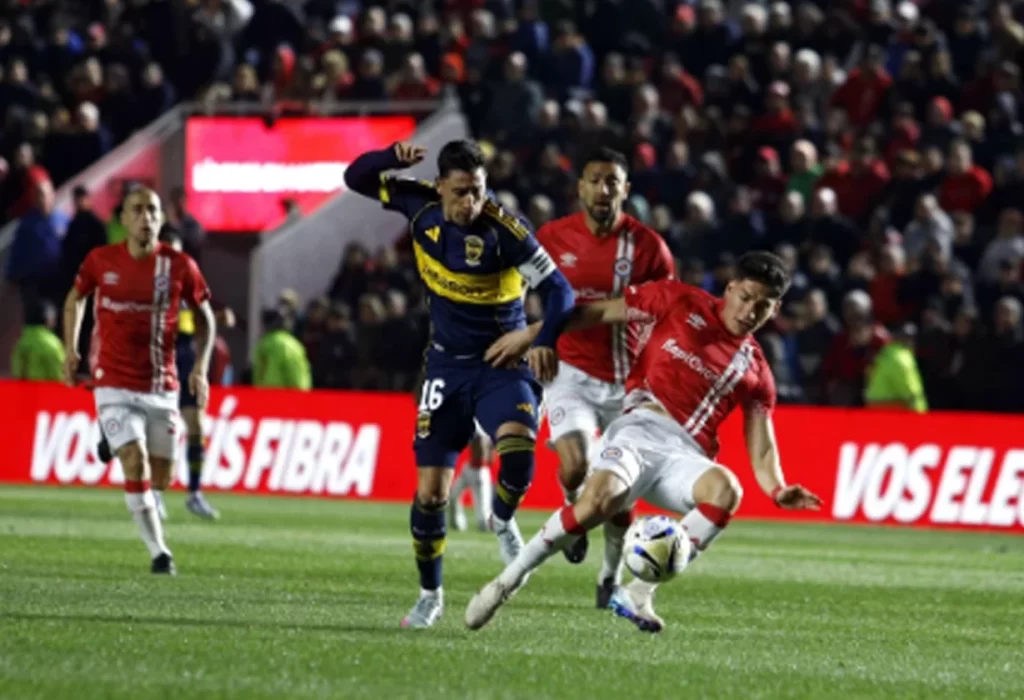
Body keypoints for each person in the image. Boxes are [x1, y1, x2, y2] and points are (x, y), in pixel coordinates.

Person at [466, 252, 822, 633]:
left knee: (727, 491)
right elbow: (597, 312)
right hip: (637, 430)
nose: (750, 311)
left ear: (775, 309)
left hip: (685, 457)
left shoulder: (756, 370)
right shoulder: (679, 300)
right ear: (731, 288)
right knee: (596, 504)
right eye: (746, 297)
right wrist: (533, 335)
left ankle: (637, 593)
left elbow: (762, 443)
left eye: (763, 306)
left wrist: (777, 488)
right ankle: (509, 580)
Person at [343, 139, 575, 628]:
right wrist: (390, 157)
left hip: (501, 364)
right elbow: (354, 178)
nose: (472, 202)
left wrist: (538, 338)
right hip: (446, 368)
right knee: (431, 495)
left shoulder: (506, 230)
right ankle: (430, 596)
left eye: (479, 191)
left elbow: (561, 291)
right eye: (462, 192)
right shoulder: (418, 204)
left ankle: (502, 518)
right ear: (440, 186)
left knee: (519, 455)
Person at [533, 146, 675, 602]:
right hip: (570, 371)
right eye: (594, 180)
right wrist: (538, 340)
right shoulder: (552, 237)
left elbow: (666, 313)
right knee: (575, 465)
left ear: (625, 189)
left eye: (612, 181)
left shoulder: (648, 248)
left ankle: (609, 574)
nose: (602, 189)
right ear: (580, 187)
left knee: (619, 497)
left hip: (628, 382)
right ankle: (574, 511)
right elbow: (526, 292)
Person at [62, 188, 217, 575]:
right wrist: (71, 350)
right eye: (137, 210)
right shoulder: (101, 260)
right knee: (135, 460)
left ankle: (111, 437)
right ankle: (159, 553)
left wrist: (200, 368)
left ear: (161, 219)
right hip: (112, 381)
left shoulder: (179, 265)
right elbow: (75, 298)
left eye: (152, 210)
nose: (145, 217)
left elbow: (206, 318)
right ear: (124, 219)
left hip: (161, 385)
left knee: (161, 478)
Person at [158, 226, 221, 519]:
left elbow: (200, 316)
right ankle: (154, 492)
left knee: (196, 425)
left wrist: (200, 367)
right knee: (160, 427)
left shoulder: (187, 278)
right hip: (158, 354)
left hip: (184, 353)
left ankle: (194, 493)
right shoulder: (146, 281)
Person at [447, 428, 495, 532]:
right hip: (469, 468)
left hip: (480, 471)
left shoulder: (485, 433)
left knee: (483, 509)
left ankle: (490, 525)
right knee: (453, 495)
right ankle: (457, 523)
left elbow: (489, 457)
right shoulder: (479, 430)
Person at [253, 309, 313, 389]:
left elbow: (258, 375)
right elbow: (297, 377)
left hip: (264, 393)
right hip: (285, 394)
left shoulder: (262, 344)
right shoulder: (291, 345)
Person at [11, 299, 64, 381]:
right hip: (46, 388)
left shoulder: (21, 343)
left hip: (23, 388)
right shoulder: (52, 344)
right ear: (47, 318)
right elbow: (58, 375)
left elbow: (17, 372)